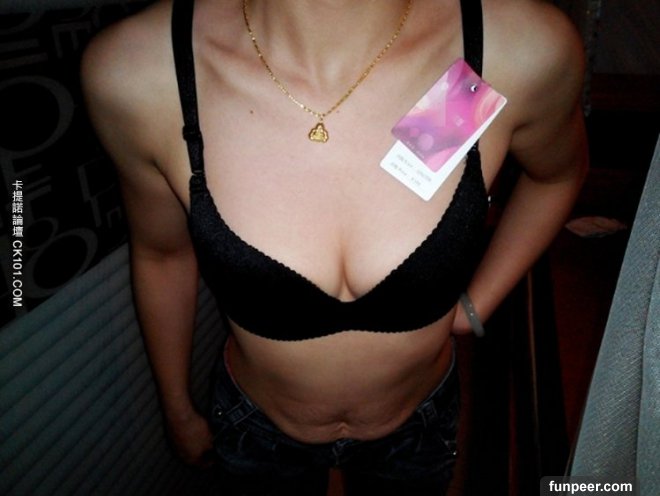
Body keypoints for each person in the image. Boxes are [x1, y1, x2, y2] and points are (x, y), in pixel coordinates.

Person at [81, 0, 588, 494]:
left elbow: (557, 176)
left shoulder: (515, 47)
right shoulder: (139, 72)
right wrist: (176, 408)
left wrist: (475, 307)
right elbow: (163, 254)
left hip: (418, 428)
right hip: (258, 431)